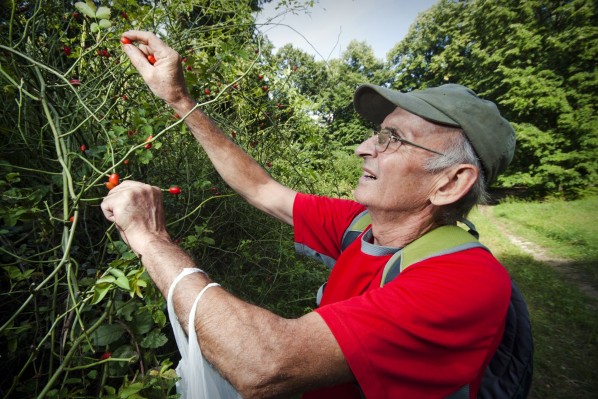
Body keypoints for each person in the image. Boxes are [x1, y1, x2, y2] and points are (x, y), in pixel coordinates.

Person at [101, 30, 517, 399]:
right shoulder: (362, 225)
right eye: (378, 132)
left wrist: (151, 239)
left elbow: (264, 365)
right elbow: (261, 188)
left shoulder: (464, 282)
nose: (364, 148)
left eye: (394, 139)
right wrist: (179, 100)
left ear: (450, 183)